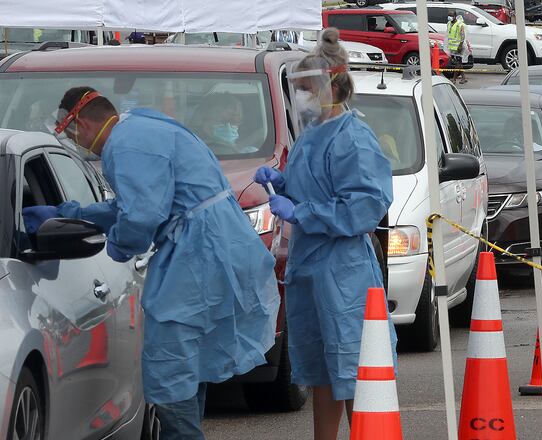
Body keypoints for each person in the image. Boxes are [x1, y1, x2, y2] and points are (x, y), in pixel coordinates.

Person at [22, 87, 280, 440]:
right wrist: (78, 215)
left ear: (81, 122)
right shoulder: (141, 127)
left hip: (198, 256)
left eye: (71, 132)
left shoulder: (126, 145)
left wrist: (117, 247)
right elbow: (136, 205)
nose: (75, 141)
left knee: (170, 369)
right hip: (215, 247)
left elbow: (141, 217)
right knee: (191, 366)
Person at [253, 28, 396, 440]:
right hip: (311, 267)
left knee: (353, 367)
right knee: (320, 369)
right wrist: (282, 183)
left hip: (343, 272)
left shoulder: (354, 138)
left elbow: (365, 207)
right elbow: (312, 187)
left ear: (331, 84)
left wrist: (303, 211)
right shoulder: (312, 137)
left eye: (307, 88)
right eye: (297, 89)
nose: (302, 98)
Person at [190, 93, 255, 154]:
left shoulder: (251, 153)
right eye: (223, 121)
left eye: (234, 122)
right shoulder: (192, 149)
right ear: (205, 123)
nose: (229, 127)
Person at [446, 10, 468, 85]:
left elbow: (462, 36)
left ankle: (454, 79)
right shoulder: (449, 23)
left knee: (458, 63)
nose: (449, 17)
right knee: (458, 63)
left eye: (451, 16)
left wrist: (460, 45)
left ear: (455, 16)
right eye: (449, 15)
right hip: (452, 47)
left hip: (459, 46)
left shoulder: (460, 24)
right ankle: (464, 78)